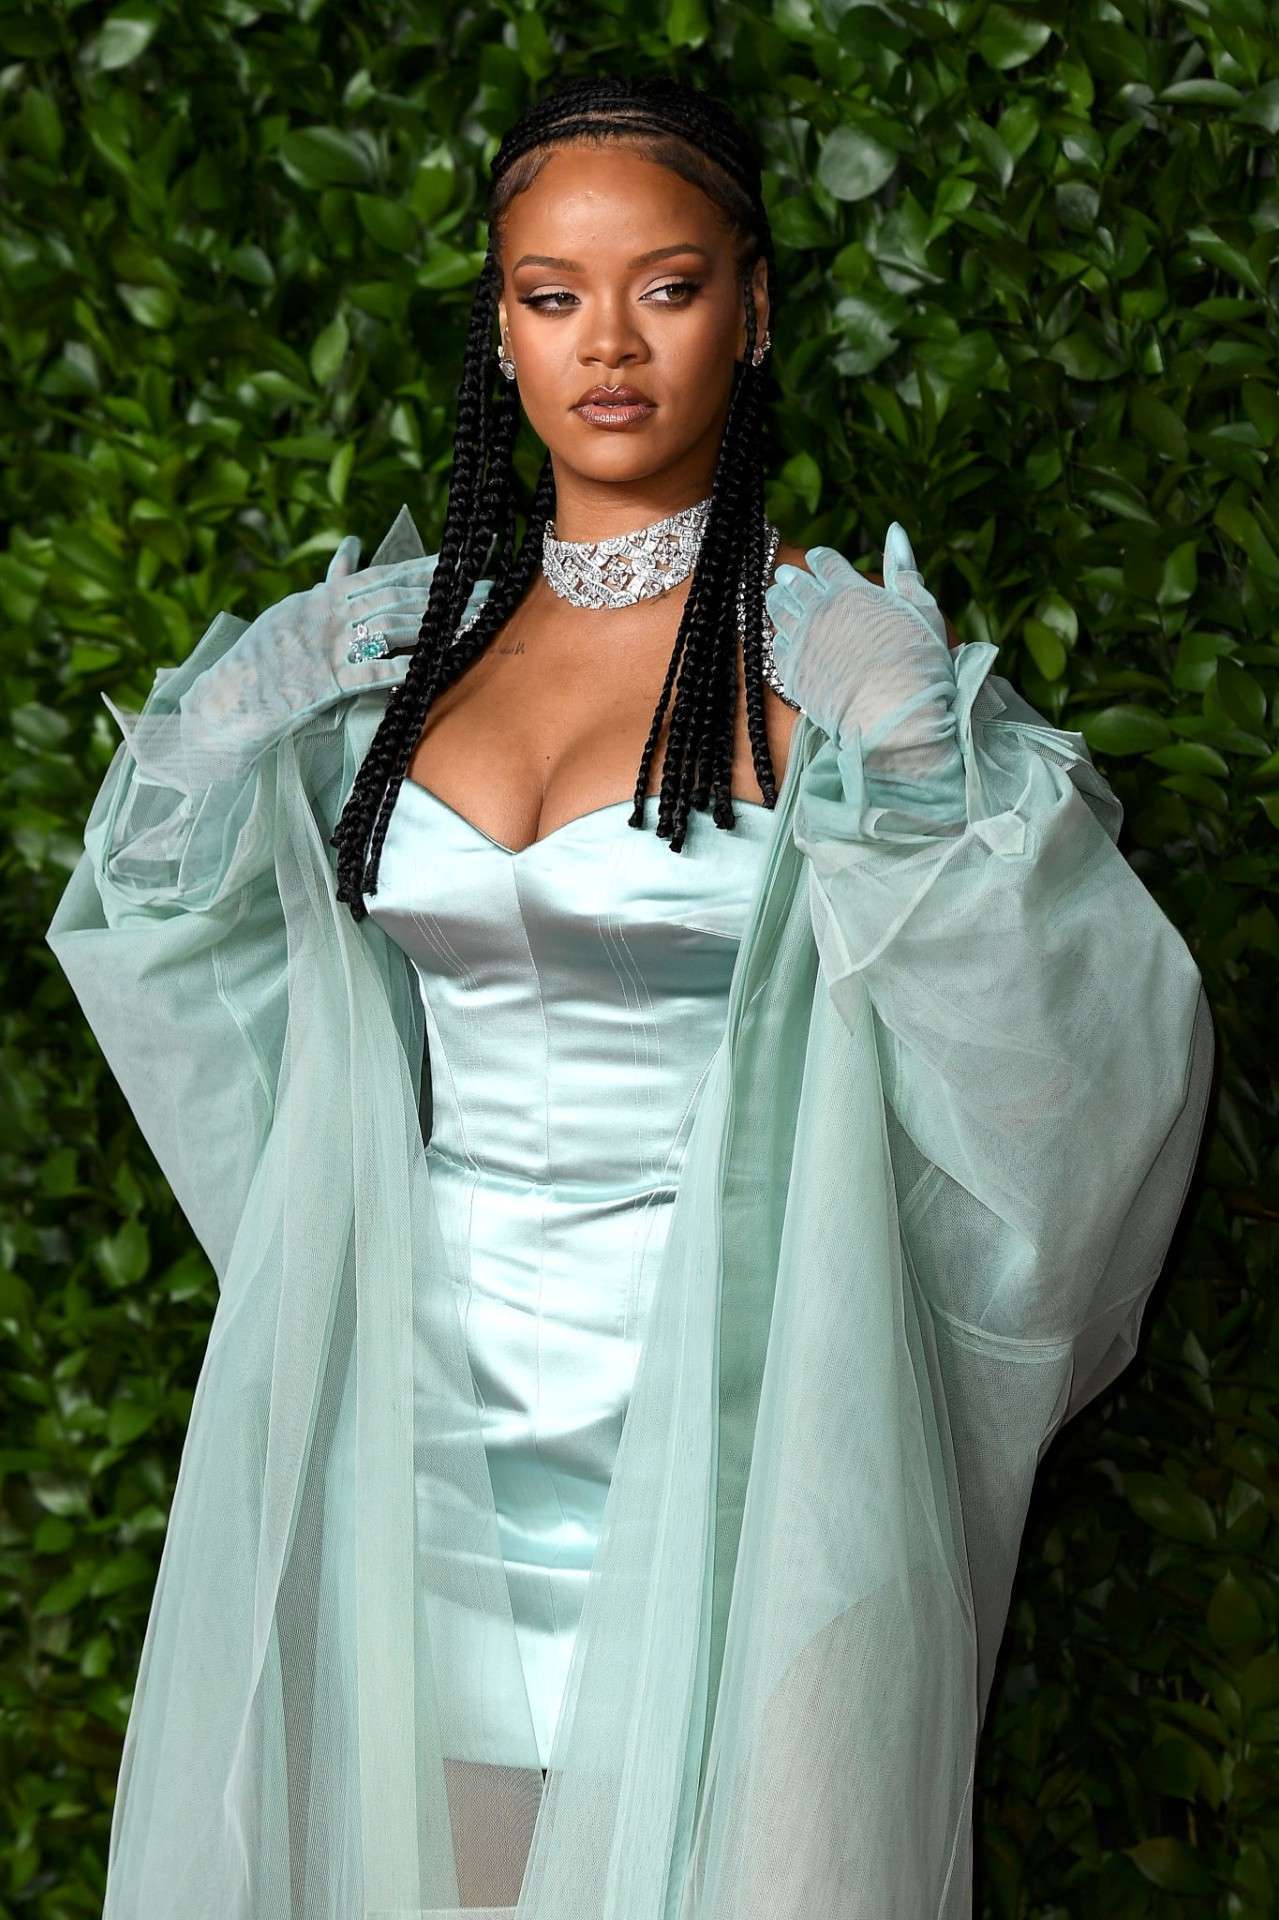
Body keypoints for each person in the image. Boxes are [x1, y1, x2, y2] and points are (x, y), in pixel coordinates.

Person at [45, 70, 1214, 1920]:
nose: (607, 344)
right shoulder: (399, 667)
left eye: (665, 287)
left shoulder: (838, 674)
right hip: (421, 1431)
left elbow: (1079, 1067)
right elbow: (209, 986)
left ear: (753, 309)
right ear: (500, 327)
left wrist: (926, 787)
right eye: (551, 293)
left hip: (749, 1416)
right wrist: (215, 736)